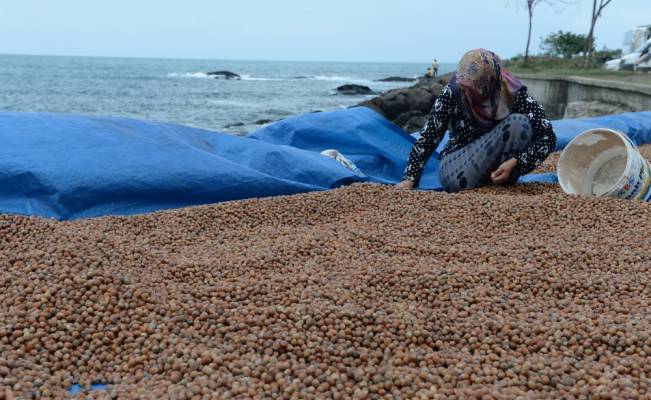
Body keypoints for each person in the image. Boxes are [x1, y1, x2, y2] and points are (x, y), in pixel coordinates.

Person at [397, 49, 556, 192]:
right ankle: (486, 183)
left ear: (490, 84)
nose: (465, 92)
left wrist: (518, 162)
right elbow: (429, 136)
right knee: (454, 181)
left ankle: (500, 179)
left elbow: (548, 137)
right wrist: (410, 178)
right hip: (459, 165)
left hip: (502, 166)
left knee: (519, 124)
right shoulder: (453, 93)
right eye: (463, 86)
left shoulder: (513, 93)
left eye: (472, 88)